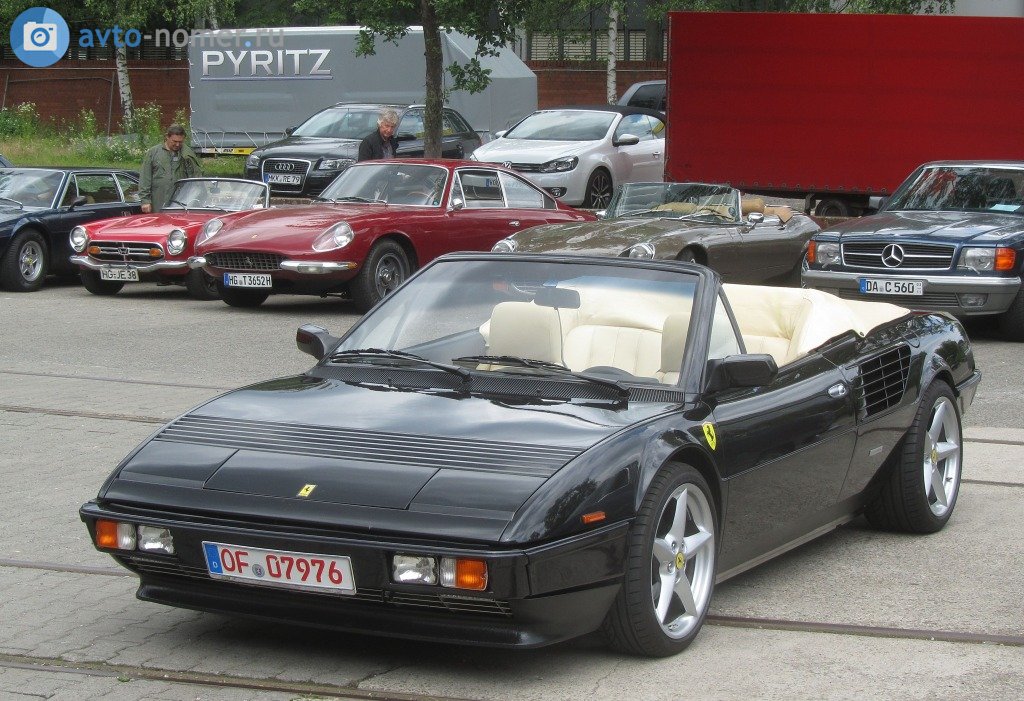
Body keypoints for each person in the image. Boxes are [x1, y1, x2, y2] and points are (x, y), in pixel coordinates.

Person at [139, 124, 202, 213]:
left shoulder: (187, 155)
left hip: (180, 202)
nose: (177, 144)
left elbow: (196, 179)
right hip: (158, 200)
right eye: (174, 141)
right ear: (167, 137)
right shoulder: (153, 153)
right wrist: (145, 201)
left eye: (180, 142)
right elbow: (145, 178)